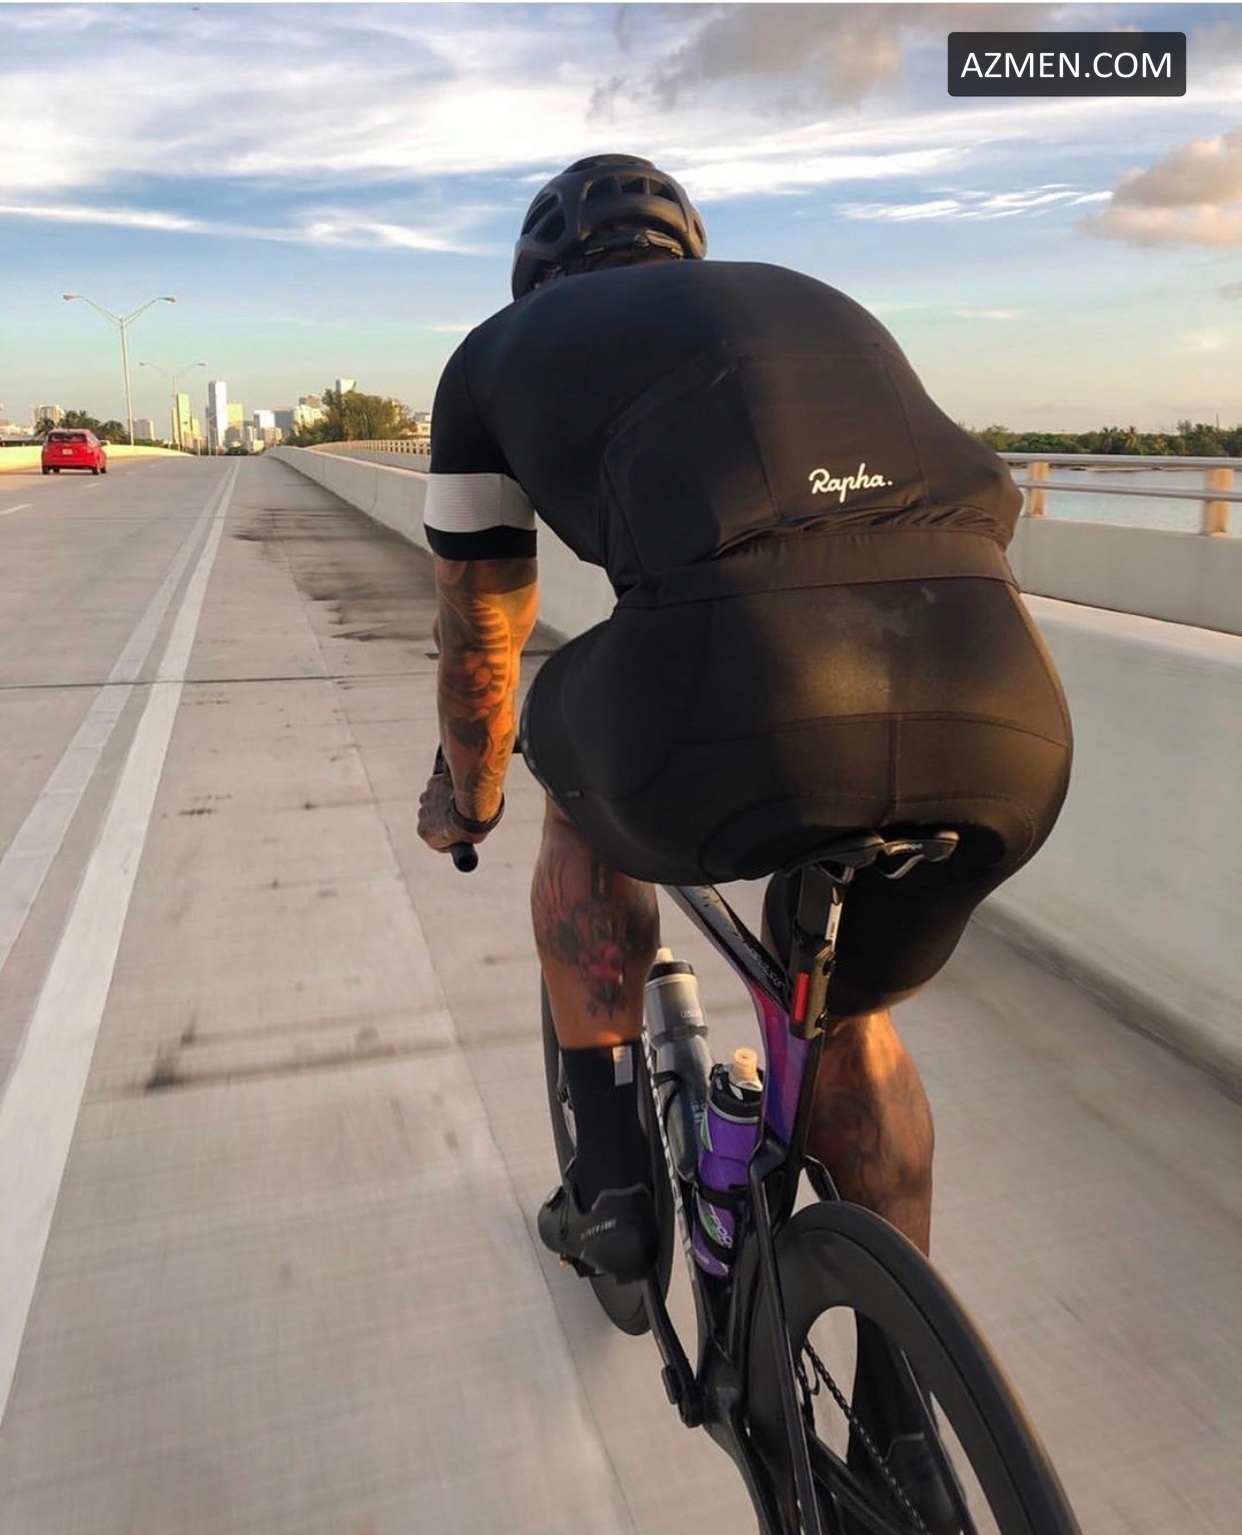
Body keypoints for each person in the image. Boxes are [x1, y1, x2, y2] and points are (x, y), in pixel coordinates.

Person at [417, 153, 1072, 1288]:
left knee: (568, 762)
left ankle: (612, 1190)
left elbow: (481, 630)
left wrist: (469, 799)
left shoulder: (495, 354)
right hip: (1005, 708)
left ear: (539, 275)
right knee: (848, 1016)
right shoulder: (820, 303)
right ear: (686, 251)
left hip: (744, 691)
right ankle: (904, 1372)